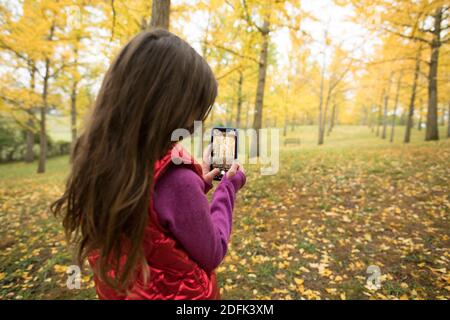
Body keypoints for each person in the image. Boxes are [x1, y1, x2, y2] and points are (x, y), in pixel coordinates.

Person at [51, 29, 246, 299]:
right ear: (171, 105)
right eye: (196, 107)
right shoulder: (177, 181)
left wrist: (197, 182)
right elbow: (212, 252)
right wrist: (227, 188)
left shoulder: (104, 163)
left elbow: (151, 212)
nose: (196, 121)